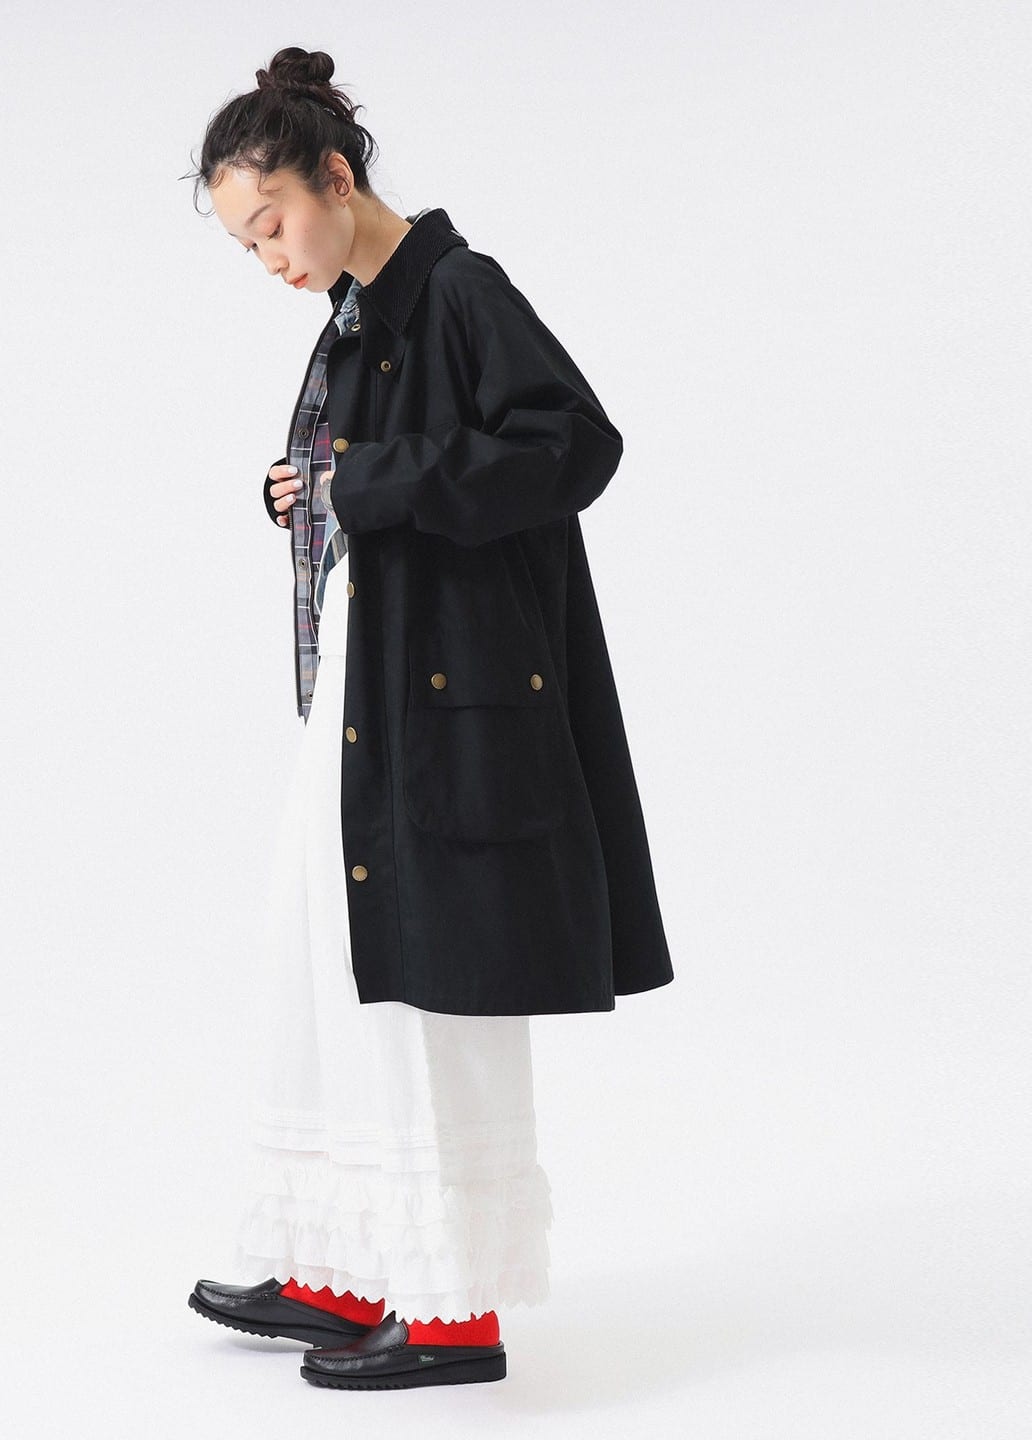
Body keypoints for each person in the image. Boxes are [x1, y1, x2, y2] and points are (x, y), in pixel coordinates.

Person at [182, 45, 674, 1391]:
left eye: (272, 223)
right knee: (331, 970)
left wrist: (368, 481)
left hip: (452, 710)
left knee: (434, 993)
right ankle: (349, 1266)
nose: (267, 258)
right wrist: (307, 490)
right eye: (245, 243)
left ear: (335, 180)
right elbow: (374, 483)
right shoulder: (360, 318)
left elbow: (573, 444)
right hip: (374, 695)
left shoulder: (458, 291)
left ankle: (455, 1314)